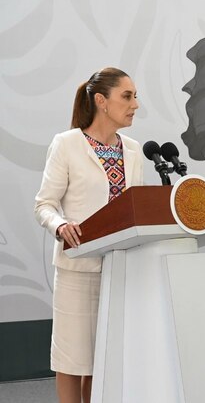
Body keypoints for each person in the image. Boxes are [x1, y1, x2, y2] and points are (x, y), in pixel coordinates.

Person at [34, 67, 144, 403]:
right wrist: (60, 226)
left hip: (121, 269)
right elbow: (44, 205)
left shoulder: (135, 150)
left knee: (104, 362)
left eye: (135, 96)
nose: (135, 104)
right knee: (72, 360)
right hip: (78, 270)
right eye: (127, 96)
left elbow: (137, 211)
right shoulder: (66, 144)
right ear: (101, 101)